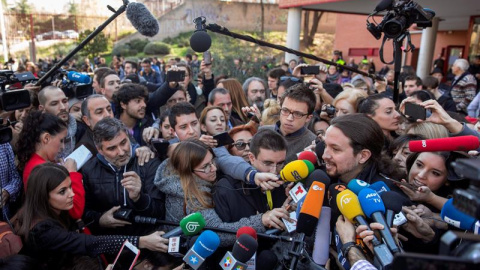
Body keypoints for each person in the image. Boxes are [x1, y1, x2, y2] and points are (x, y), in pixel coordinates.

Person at [16, 163, 169, 269]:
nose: (72, 194)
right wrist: (141, 241)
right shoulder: (42, 230)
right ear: (44, 196)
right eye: (62, 191)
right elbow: (89, 243)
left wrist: (100, 220)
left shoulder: (56, 211)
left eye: (70, 187)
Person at [154, 139, 273, 246]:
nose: (214, 168)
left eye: (212, 162)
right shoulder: (190, 196)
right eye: (206, 166)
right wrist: (261, 221)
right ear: (188, 171)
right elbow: (218, 234)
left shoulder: (192, 174)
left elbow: (225, 159)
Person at [81, 118, 164, 236]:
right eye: (111, 148)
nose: (121, 152)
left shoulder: (148, 163)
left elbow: (161, 212)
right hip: (109, 242)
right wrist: (100, 220)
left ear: (129, 137)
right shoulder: (88, 170)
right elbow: (84, 214)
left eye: (123, 142)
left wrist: (139, 198)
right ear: (100, 150)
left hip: (149, 237)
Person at [214, 129, 290, 230]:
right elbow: (221, 235)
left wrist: (285, 212)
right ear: (252, 158)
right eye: (268, 163)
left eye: (280, 163)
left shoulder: (284, 183)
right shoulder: (225, 189)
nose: (274, 171)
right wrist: (261, 221)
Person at [17, 111, 85, 220]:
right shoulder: (40, 169)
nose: (63, 147)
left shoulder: (39, 163)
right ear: (46, 138)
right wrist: (72, 173)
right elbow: (75, 211)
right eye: (61, 140)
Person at [322, 113, 403, 185]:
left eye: (335, 149)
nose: (324, 156)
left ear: (363, 156)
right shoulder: (320, 179)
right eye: (325, 145)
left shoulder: (384, 195)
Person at [259, 83, 317, 162]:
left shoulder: (312, 143)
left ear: (308, 118)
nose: (289, 118)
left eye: (298, 114)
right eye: (285, 110)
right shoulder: (262, 132)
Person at [38, 86, 84, 158]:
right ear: (42, 109)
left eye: (65, 101)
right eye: (54, 104)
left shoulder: (81, 130)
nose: (62, 107)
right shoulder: (36, 135)